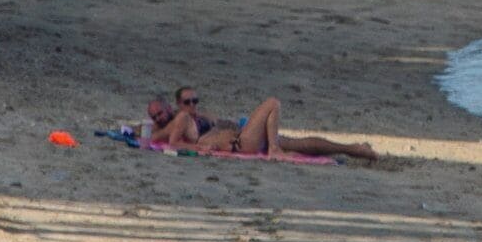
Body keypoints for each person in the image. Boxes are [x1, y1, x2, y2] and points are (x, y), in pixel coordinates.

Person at [147, 85, 380, 163]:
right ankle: (274, 150)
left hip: (242, 136)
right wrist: (201, 148)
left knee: (303, 144)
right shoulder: (181, 118)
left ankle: (356, 150)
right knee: (272, 103)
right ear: (177, 104)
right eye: (187, 102)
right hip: (240, 144)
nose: (192, 105)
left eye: (195, 100)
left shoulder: (200, 115)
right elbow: (172, 141)